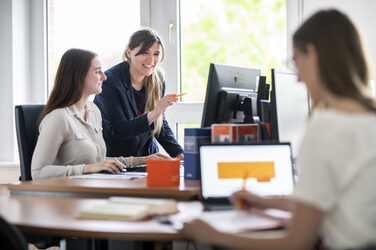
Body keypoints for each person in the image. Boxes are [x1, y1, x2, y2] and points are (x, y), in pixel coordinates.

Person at [181, 9, 376, 250]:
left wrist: (213, 235)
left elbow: (297, 242)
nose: (299, 79)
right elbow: (338, 205)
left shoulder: (328, 127)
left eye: (297, 62)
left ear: (312, 53)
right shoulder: (369, 117)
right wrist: (265, 202)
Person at [31, 48, 168, 180]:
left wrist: (142, 160)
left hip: (93, 187)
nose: (104, 76)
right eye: (97, 72)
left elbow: (100, 162)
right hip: (69, 196)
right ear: (78, 76)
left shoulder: (93, 111)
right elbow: (38, 172)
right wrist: (86, 169)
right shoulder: (59, 118)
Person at [93, 28, 184, 159]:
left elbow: (159, 123)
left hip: (147, 158)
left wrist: (179, 153)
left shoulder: (158, 79)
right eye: (144, 53)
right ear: (129, 52)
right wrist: (154, 114)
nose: (151, 60)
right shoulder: (109, 82)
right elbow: (118, 129)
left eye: (156, 54)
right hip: (118, 161)